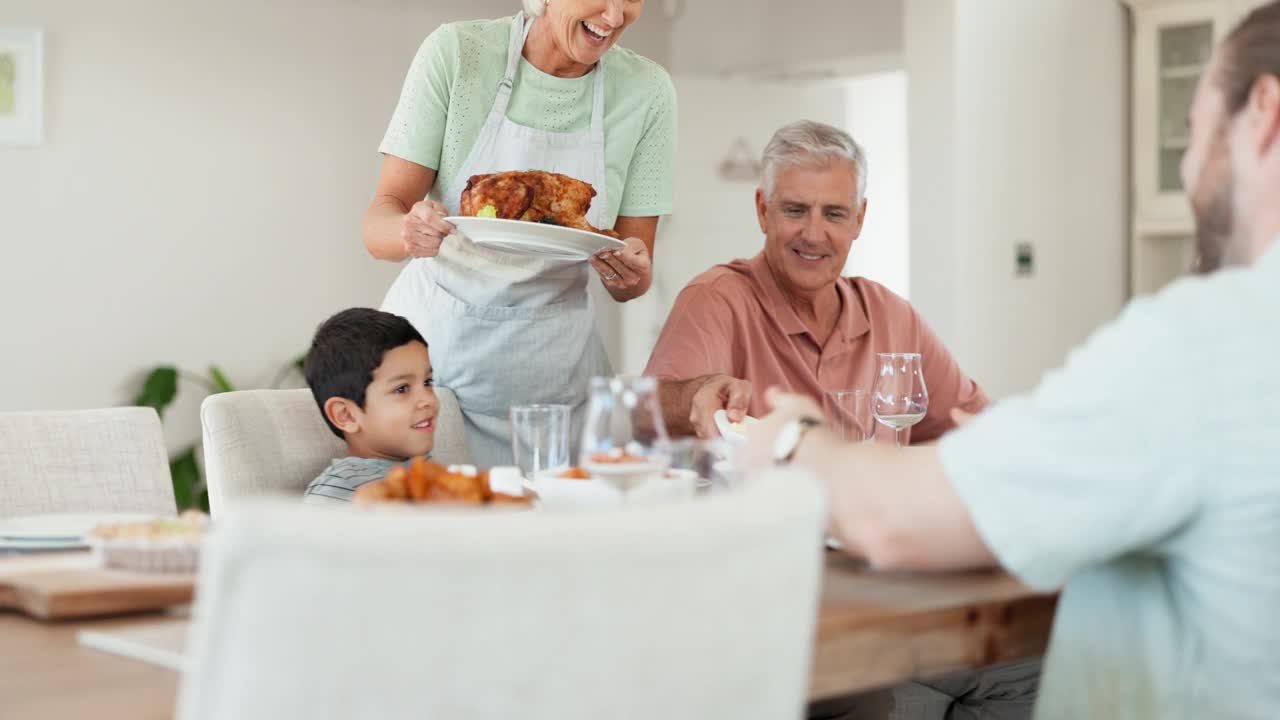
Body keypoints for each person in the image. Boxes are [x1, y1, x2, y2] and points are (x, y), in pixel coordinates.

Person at [744, 4, 1280, 717]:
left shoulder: (1204, 343)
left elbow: (885, 519)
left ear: (1263, 113)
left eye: (1196, 129)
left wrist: (791, 439)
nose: (1186, 167)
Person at [364, 0, 676, 466]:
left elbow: (634, 270)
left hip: (557, 382)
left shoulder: (647, 90)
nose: (614, 17)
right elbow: (378, 223)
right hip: (434, 373)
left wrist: (627, 273)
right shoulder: (458, 52)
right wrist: (410, 230)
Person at [647, 121, 986, 443]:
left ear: (859, 219)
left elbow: (979, 426)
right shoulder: (716, 300)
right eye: (795, 210)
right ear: (763, 210)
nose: (813, 234)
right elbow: (646, 414)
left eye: (834, 214)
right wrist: (694, 393)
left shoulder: (893, 317)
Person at [301, 308, 438, 504]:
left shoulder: (430, 471)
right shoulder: (341, 486)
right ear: (346, 415)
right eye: (402, 389)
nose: (428, 399)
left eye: (427, 383)